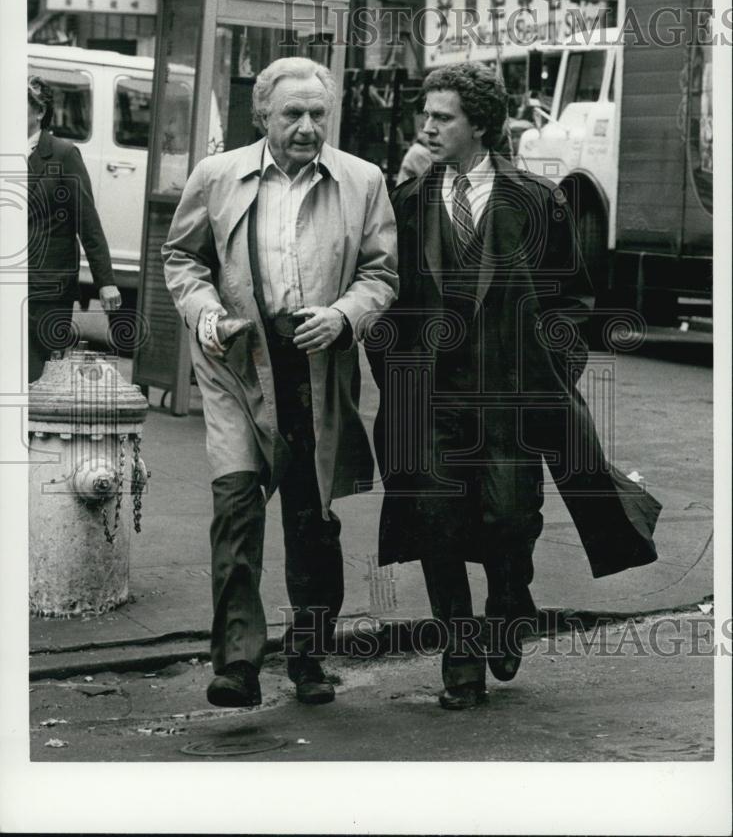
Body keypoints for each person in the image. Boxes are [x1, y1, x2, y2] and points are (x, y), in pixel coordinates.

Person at [367, 62, 662, 710]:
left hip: (509, 395)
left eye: (443, 116)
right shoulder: (409, 202)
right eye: (427, 114)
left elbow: (569, 302)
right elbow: (386, 299)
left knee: (508, 518)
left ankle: (508, 600)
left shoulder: (535, 200)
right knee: (435, 524)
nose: (428, 125)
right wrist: (398, 377)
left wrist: (549, 374)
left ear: (480, 124)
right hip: (431, 399)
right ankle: (459, 652)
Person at [162, 57, 398, 708]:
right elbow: (182, 257)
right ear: (261, 115)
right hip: (238, 364)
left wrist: (345, 316)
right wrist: (205, 312)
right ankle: (237, 663)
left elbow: (382, 273)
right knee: (236, 508)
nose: (305, 126)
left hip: (314, 368)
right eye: (291, 113)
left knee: (311, 519)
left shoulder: (362, 181)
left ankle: (309, 656)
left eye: (317, 114)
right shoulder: (216, 177)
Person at [27, 75, 121, 382]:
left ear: (39, 111)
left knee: (37, 379)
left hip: (48, 288)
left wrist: (104, 281)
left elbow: (87, 221)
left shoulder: (63, 155)